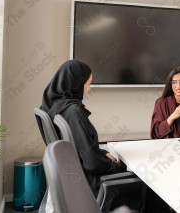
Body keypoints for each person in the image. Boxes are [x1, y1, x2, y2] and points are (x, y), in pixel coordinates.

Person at [40, 59, 126, 194]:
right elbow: (92, 164)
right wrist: (114, 166)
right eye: (88, 83)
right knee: (147, 186)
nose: (89, 88)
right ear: (76, 83)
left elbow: (79, 147)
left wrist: (103, 153)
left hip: (76, 180)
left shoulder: (53, 105)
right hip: (94, 184)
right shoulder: (73, 112)